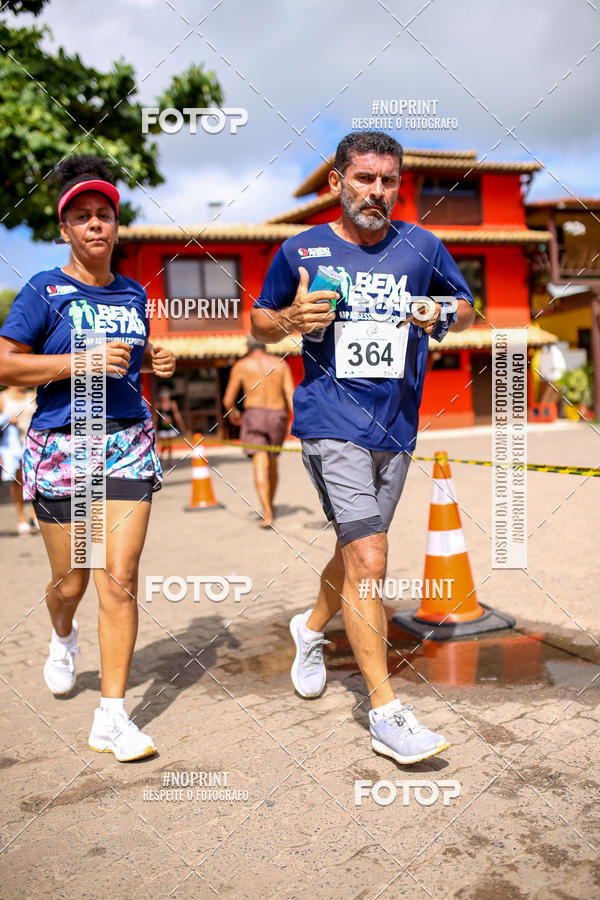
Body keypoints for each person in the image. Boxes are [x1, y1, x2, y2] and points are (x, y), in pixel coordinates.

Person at [251, 131, 475, 765]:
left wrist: (442, 313)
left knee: (355, 550)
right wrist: (293, 319)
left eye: (387, 180)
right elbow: (260, 322)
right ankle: (385, 711)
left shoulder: (422, 246)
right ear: (337, 184)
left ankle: (309, 627)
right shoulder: (302, 249)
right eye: (364, 179)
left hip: (397, 427)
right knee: (371, 556)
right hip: (330, 422)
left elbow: (463, 302)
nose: (376, 191)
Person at [0, 154, 176, 762]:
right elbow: (4, 363)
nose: (95, 224)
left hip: (125, 438)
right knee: (71, 581)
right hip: (61, 445)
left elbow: (131, 361)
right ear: (65, 230)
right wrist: (79, 363)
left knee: (119, 580)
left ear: (116, 226)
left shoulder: (133, 292)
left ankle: (111, 716)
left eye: (104, 214)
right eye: (83, 217)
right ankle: (62, 634)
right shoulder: (43, 290)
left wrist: (156, 363)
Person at [223, 335, 294, 528]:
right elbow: (290, 394)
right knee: (272, 462)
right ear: (265, 346)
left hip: (254, 415)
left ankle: (268, 513)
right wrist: (299, 422)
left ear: (248, 346)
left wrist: (234, 414)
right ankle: (270, 504)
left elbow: (228, 400)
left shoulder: (241, 365)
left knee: (259, 464)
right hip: (278, 415)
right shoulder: (280, 364)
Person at [0, 386, 37, 533]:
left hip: (34, 443)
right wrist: (7, 421)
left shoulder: (32, 395)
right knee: (18, 482)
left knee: (36, 480)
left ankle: (34, 514)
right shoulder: (3, 397)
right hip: (12, 447)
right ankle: (21, 517)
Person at [154, 386, 186, 462]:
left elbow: (177, 416)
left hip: (171, 428)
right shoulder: (158, 405)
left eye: (165, 393)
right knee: (164, 443)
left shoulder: (173, 404)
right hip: (161, 429)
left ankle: (169, 459)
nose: (164, 395)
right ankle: (161, 456)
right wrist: (154, 430)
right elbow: (155, 419)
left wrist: (182, 427)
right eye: (162, 393)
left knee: (170, 444)